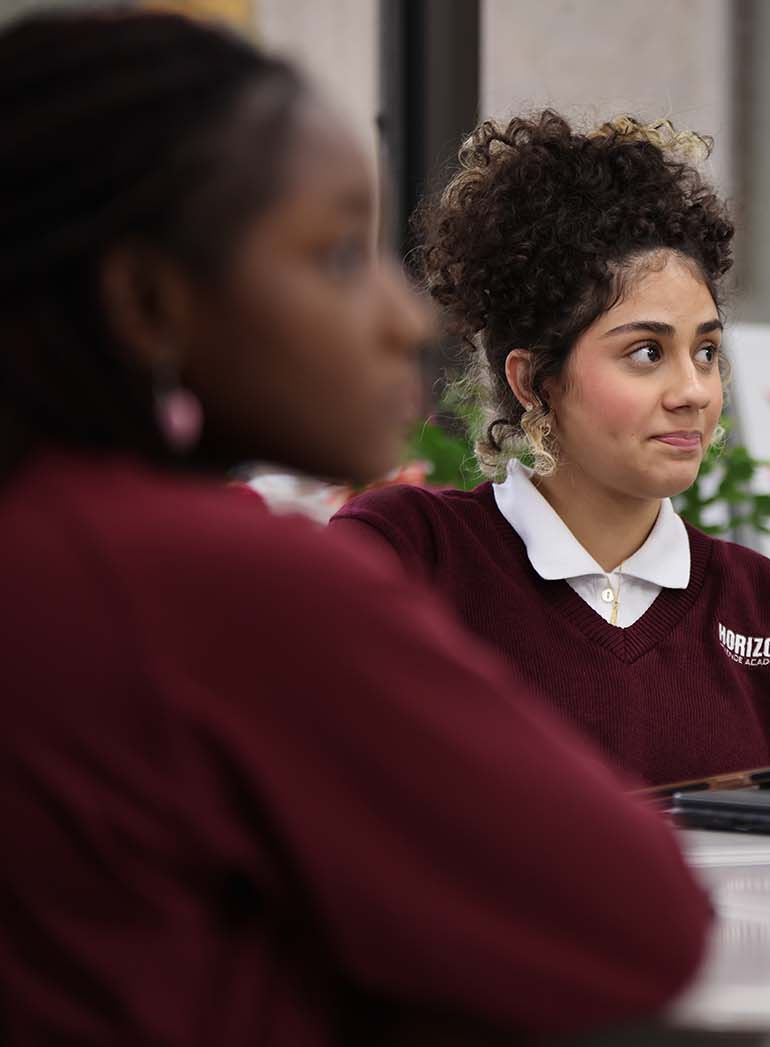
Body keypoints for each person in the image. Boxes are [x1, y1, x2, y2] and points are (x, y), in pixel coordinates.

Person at [0, 12, 711, 1046]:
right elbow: (643, 923)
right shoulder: (219, 585)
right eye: (338, 257)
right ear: (149, 302)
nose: (405, 319)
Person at [331, 111, 770, 787]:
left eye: (706, 350)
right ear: (532, 380)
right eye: (646, 352)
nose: (694, 390)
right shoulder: (404, 562)